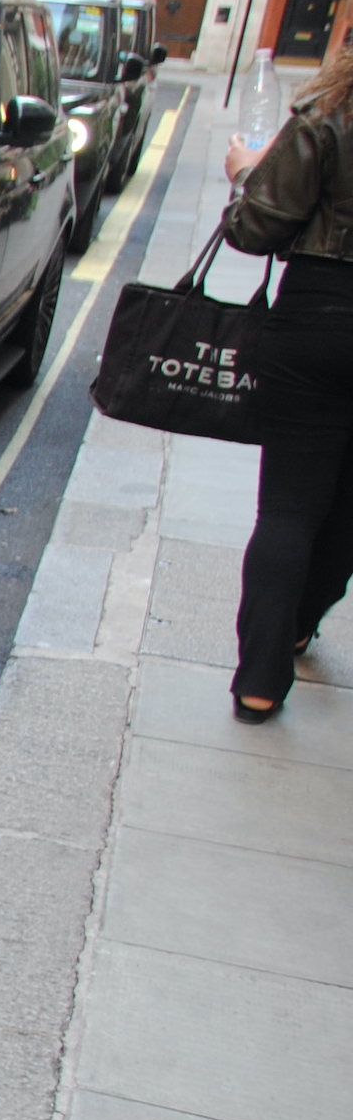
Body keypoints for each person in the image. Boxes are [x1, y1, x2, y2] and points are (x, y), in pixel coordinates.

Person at [223, 37, 353, 721]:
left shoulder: (329, 111)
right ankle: (302, 621)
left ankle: (261, 679)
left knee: (289, 511)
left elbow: (256, 228)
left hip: (320, 321)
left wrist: (248, 172)